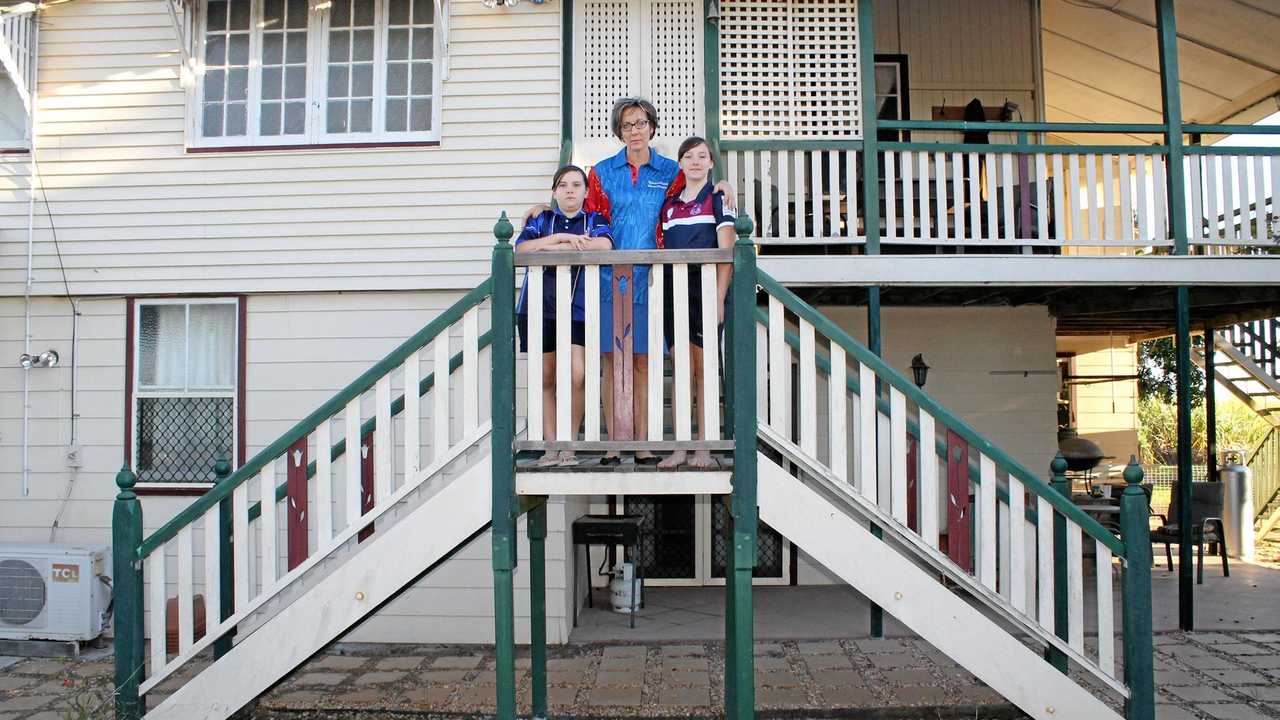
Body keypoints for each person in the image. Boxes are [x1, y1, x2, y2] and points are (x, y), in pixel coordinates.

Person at [526, 97, 734, 465]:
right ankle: (613, 442)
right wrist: (546, 207)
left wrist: (726, 185)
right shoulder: (603, 171)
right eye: (627, 125)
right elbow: (584, 213)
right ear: (618, 131)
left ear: (652, 126)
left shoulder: (672, 171)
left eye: (640, 123)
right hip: (606, 280)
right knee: (610, 359)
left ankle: (640, 442)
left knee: (642, 361)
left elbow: (699, 190)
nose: (634, 131)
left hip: (652, 282)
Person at [515, 165, 613, 466]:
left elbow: (605, 245)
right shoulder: (542, 219)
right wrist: (557, 238)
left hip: (578, 307)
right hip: (537, 306)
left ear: (585, 191)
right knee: (545, 377)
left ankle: (568, 444)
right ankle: (551, 447)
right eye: (563, 185)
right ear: (554, 191)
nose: (569, 190)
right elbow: (521, 248)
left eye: (576, 185)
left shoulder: (594, 219)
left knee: (577, 374)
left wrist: (568, 243)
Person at [656, 137, 735, 469]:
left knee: (704, 371)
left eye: (702, 156)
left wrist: (718, 297)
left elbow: (727, 252)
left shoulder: (718, 199)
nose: (696, 162)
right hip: (674, 295)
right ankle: (681, 448)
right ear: (681, 164)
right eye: (689, 157)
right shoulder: (669, 204)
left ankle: (703, 447)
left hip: (704, 294)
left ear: (711, 163)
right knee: (681, 371)